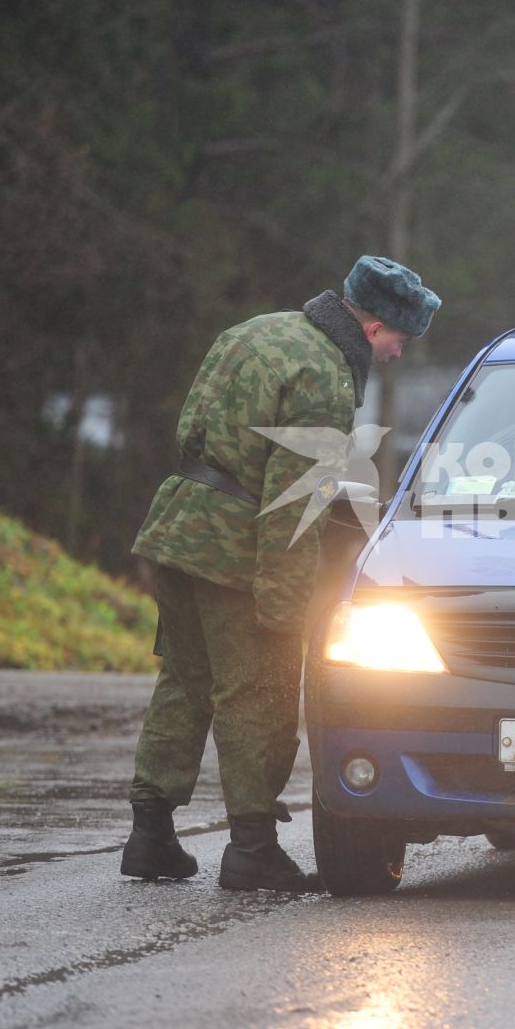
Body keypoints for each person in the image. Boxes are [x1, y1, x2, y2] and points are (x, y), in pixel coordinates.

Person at [120, 257, 441, 891]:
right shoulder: (322, 375)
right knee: (260, 691)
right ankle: (252, 850)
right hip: (238, 546)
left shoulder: (252, 332)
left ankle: (149, 835)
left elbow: (199, 435)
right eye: (400, 341)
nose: (398, 356)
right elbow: (296, 504)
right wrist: (287, 609)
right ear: (374, 326)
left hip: (179, 527)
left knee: (184, 682)